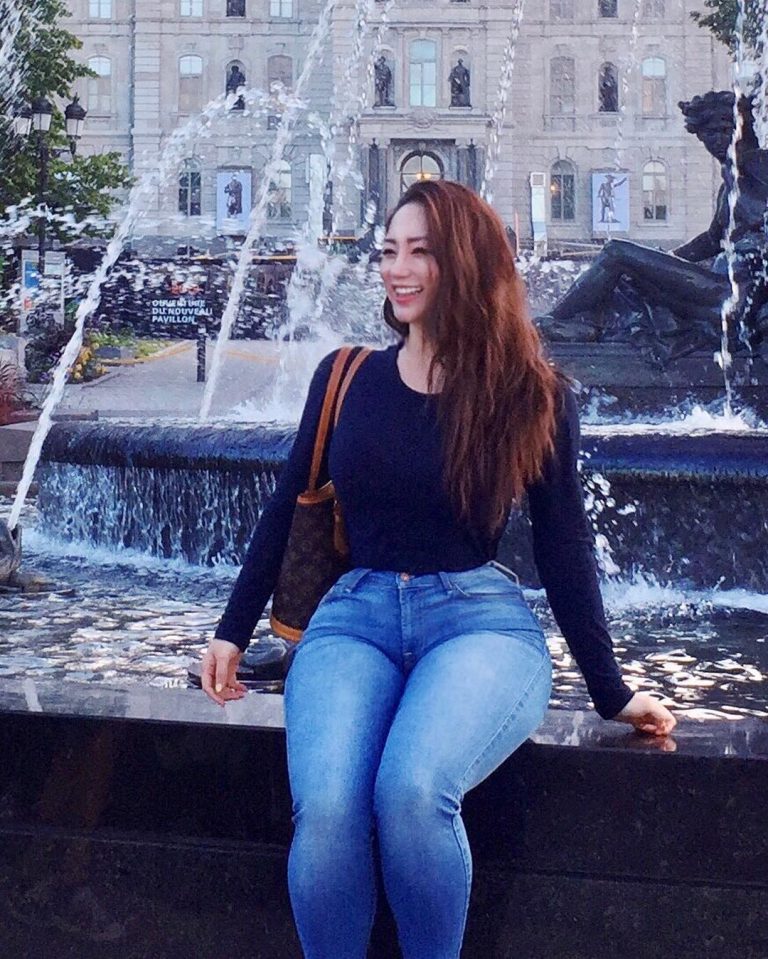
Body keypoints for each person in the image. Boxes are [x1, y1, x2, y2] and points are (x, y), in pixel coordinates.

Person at [201, 180, 676, 959]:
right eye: (390, 250)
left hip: (478, 620)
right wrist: (230, 629)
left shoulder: (531, 392)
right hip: (352, 618)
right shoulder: (345, 376)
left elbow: (564, 546)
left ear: (465, 261)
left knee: (413, 791)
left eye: (420, 251)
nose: (398, 268)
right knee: (328, 809)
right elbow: (288, 503)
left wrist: (612, 691)